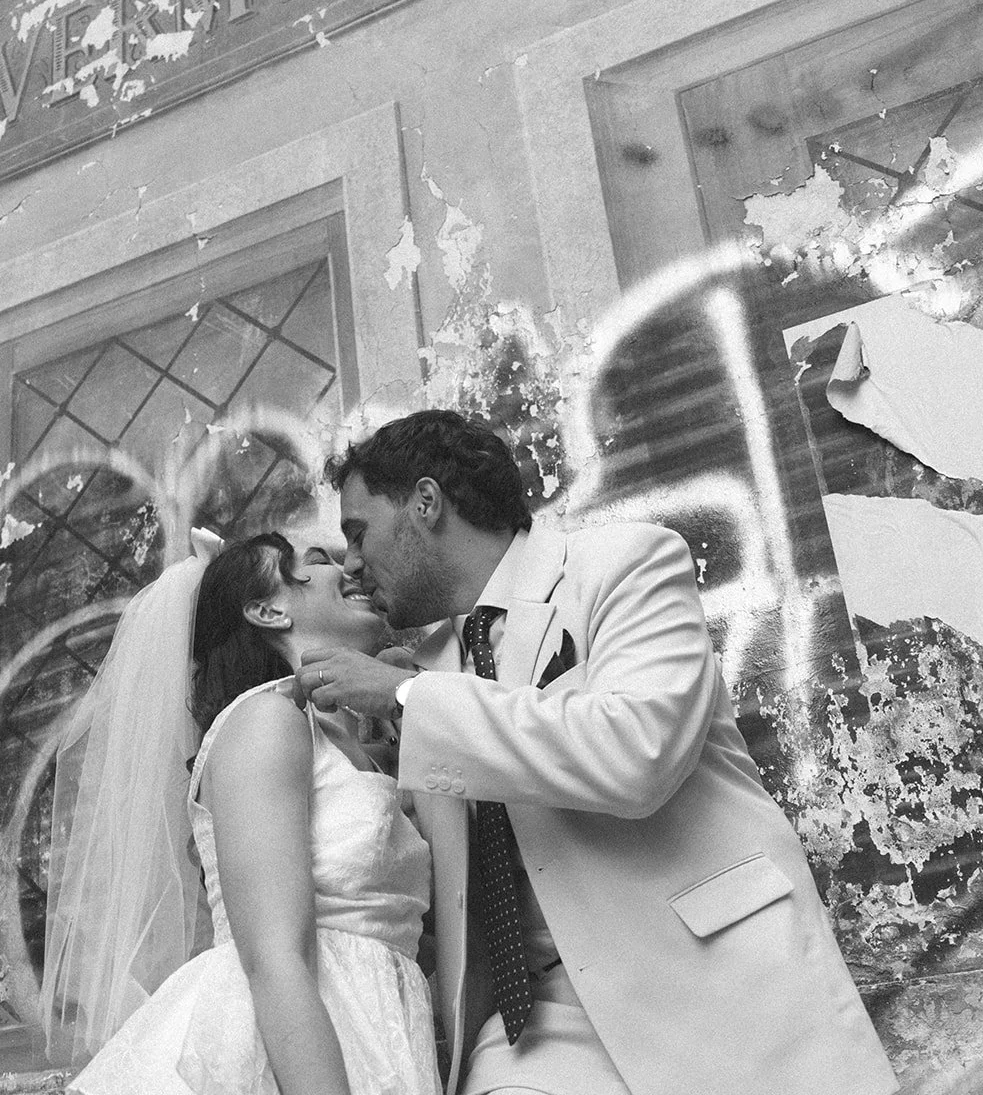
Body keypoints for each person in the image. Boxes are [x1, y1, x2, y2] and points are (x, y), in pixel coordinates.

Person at [294, 409, 899, 1095]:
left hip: (702, 976)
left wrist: (409, 699)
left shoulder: (623, 564)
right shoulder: (427, 666)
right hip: (532, 1028)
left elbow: (637, 756)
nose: (349, 562)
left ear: (426, 502)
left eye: (356, 531)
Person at [41, 527, 442, 1095]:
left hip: (378, 1028)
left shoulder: (354, 747)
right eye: (318, 561)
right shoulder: (266, 720)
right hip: (288, 1049)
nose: (348, 569)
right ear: (267, 611)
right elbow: (276, 958)